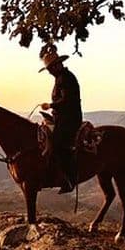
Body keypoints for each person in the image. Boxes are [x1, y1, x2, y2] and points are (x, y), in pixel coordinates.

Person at [39, 48, 82, 194]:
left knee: (57, 144)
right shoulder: (61, 78)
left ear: (57, 65)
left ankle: (70, 179)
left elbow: (68, 100)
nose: (50, 71)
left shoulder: (65, 78)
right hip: (61, 117)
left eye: (50, 68)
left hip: (70, 119)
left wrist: (50, 105)